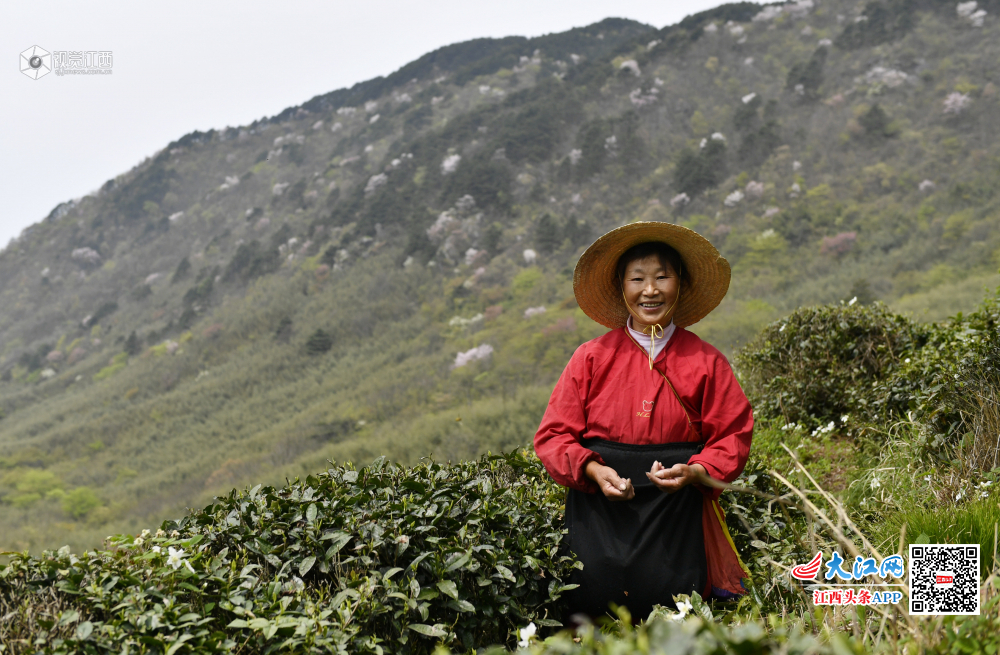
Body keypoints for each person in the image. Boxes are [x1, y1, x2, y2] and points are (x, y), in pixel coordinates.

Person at [533, 221, 752, 620]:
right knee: (589, 615)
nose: (649, 290)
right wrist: (595, 471)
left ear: (680, 283)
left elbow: (733, 436)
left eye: (662, 277)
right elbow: (553, 437)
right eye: (637, 278)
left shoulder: (706, 362)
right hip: (598, 512)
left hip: (676, 515)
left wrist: (696, 470)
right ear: (622, 286)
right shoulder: (591, 358)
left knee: (677, 616)